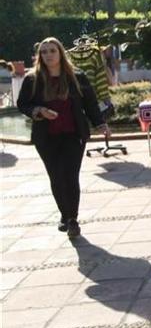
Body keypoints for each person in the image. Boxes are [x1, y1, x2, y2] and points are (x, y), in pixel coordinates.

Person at [17, 37, 111, 237]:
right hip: (46, 137)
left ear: (60, 53)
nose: (48, 55)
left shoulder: (77, 76)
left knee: (70, 176)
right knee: (57, 177)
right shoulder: (32, 79)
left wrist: (100, 123)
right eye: (44, 52)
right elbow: (23, 104)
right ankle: (64, 214)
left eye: (52, 51)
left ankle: (72, 219)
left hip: (73, 135)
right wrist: (39, 110)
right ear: (39, 56)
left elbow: (90, 104)